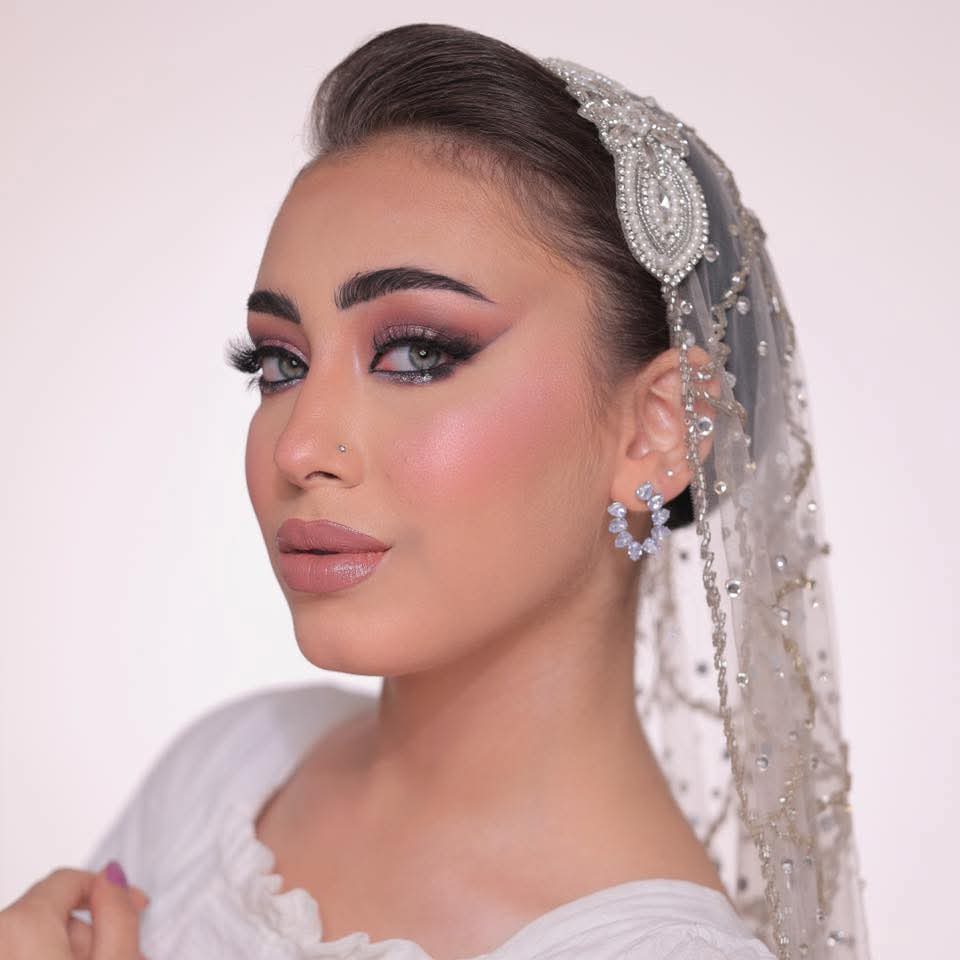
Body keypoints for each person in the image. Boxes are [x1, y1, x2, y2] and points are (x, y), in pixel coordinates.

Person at [3, 22, 870, 960]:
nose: (299, 447)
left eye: (418, 353)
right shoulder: (227, 771)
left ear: (657, 430)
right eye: (280, 363)